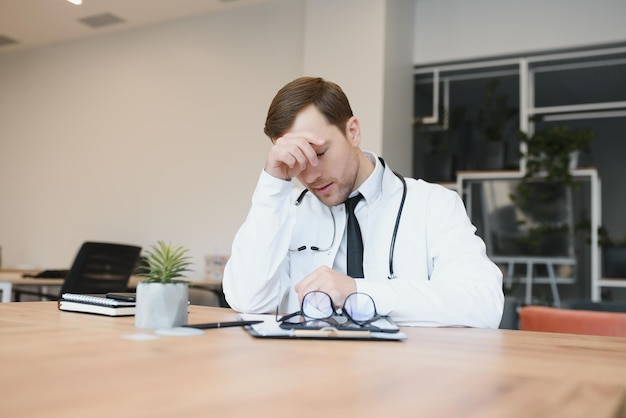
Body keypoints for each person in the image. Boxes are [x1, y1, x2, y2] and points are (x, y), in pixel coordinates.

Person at [222, 76, 504, 328]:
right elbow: (249, 300)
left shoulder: (434, 204)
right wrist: (274, 184)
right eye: (295, 159)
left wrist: (360, 292)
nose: (309, 174)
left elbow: (482, 304)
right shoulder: (284, 210)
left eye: (318, 153)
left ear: (353, 132)